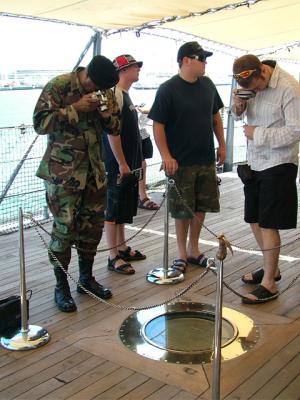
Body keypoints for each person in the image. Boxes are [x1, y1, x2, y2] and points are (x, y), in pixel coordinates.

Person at [33, 55, 121, 312]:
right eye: (96, 88)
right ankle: (61, 287)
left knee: (91, 230)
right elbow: (40, 124)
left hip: (94, 174)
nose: (99, 93)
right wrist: (76, 108)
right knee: (64, 231)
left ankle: (86, 279)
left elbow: (115, 128)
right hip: (64, 175)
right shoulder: (59, 86)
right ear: (88, 79)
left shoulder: (105, 91)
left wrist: (105, 114)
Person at [148, 41, 226, 274]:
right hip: (180, 161)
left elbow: (216, 117)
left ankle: (194, 248)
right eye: (201, 58)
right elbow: (158, 125)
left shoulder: (208, 85)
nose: (205, 63)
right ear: (185, 60)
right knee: (182, 210)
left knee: (201, 206)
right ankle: (181, 252)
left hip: (205, 158)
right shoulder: (168, 89)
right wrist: (166, 155)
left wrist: (222, 145)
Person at [232, 54, 300, 304]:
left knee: (269, 223)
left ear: (262, 71)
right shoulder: (247, 85)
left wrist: (257, 133)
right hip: (255, 161)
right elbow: (237, 116)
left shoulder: (289, 87)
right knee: (254, 219)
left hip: (279, 162)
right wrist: (238, 105)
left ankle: (269, 283)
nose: (256, 91)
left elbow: (296, 131)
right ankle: (272, 268)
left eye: (257, 86)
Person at [102, 54, 146, 275]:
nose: (138, 69)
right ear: (122, 70)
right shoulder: (115, 94)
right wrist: (121, 163)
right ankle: (112, 255)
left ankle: (121, 246)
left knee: (122, 208)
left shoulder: (124, 95)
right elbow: (112, 132)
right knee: (112, 210)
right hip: (116, 165)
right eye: (134, 66)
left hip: (127, 162)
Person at [136, 108, 159, 210]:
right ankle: (140, 196)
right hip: (125, 132)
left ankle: (141, 195)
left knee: (141, 163)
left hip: (140, 132)